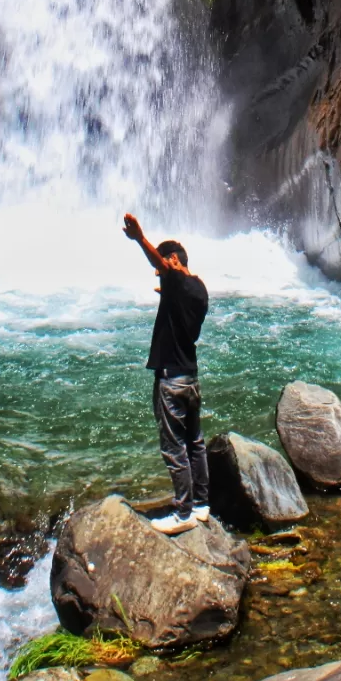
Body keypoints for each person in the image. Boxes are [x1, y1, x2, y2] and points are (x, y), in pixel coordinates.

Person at [123, 212, 210, 534]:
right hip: (191, 375)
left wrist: (139, 238)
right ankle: (202, 505)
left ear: (174, 260)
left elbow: (158, 263)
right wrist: (169, 293)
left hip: (171, 378)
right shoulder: (199, 288)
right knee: (195, 442)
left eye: (164, 266)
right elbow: (182, 297)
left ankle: (182, 511)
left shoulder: (174, 279)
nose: (160, 272)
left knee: (174, 447)